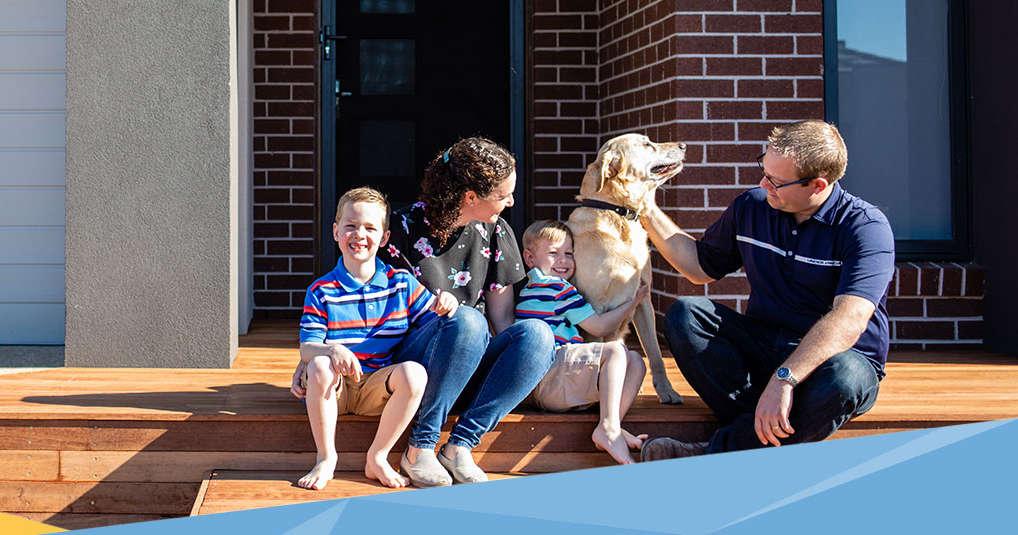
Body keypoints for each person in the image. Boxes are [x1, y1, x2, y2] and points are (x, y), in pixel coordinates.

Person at [637, 120, 894, 460]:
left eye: (776, 181)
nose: (763, 183)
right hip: (763, 344)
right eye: (764, 169)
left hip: (830, 364)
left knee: (846, 378)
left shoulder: (864, 227)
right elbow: (698, 267)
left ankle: (714, 454)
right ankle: (757, 433)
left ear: (818, 185)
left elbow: (850, 319)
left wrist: (784, 380)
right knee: (687, 314)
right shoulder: (753, 206)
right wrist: (644, 206)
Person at [380, 137, 554, 486]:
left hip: (469, 360)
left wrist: (522, 368)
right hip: (414, 365)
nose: (511, 202)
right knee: (468, 319)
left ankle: (459, 446)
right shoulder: (398, 231)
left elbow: (503, 321)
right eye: (503, 195)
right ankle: (420, 447)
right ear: (471, 197)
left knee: (537, 334)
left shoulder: (496, 232)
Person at [291, 187, 434, 490]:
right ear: (336, 231)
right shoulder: (322, 290)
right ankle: (326, 457)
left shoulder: (402, 284)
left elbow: (436, 325)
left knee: (414, 373)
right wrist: (332, 350)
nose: (359, 234)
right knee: (318, 364)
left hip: (377, 389)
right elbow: (307, 345)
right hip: (335, 389)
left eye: (370, 228)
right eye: (351, 226)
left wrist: (447, 302)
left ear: (384, 238)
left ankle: (378, 456)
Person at [515, 220, 651, 465]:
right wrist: (633, 301)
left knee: (636, 362)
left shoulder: (532, 287)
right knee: (616, 351)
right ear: (530, 258)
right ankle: (609, 428)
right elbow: (599, 327)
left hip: (554, 384)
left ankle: (612, 428)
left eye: (569, 253)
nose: (563, 260)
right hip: (550, 378)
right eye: (554, 253)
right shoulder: (556, 288)